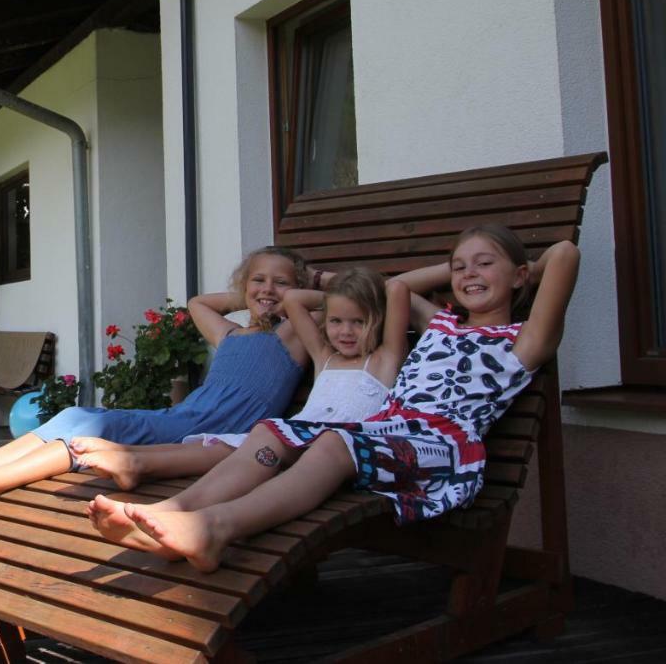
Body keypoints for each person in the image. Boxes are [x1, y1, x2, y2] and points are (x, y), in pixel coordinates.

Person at [87, 226, 580, 573]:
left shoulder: (522, 342)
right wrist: (464, 269)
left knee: (331, 446)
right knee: (273, 432)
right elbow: (397, 287)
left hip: (440, 449)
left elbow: (565, 254)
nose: (469, 274)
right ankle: (175, 511)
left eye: (484, 264)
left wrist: (525, 269)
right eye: (459, 267)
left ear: (519, 277)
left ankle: (215, 528)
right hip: (385, 431)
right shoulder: (443, 325)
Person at [0, 246, 315, 510]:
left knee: (94, 427)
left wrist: (291, 291)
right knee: (77, 414)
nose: (268, 288)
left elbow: (339, 297)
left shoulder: (294, 334)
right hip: (182, 417)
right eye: (258, 279)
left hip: (209, 433)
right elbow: (198, 302)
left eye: (281, 282)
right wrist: (251, 293)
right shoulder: (233, 335)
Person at [74, 266, 408, 496]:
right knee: (226, 445)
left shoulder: (384, 359)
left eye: (357, 321)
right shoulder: (325, 356)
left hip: (337, 451)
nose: (345, 331)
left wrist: (338, 286)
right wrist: (333, 292)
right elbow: (293, 300)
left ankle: (140, 464)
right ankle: (135, 460)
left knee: (250, 447)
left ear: (376, 319)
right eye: (335, 319)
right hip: (296, 435)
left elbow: (396, 289)